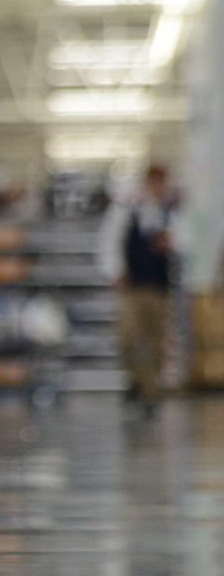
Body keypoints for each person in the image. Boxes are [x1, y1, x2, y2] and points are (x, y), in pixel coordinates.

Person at [98, 164, 179, 409]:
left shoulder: (171, 212)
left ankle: (150, 387)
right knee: (129, 337)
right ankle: (135, 379)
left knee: (156, 340)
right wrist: (116, 271)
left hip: (160, 288)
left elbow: (185, 243)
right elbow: (109, 240)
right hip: (133, 288)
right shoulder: (128, 209)